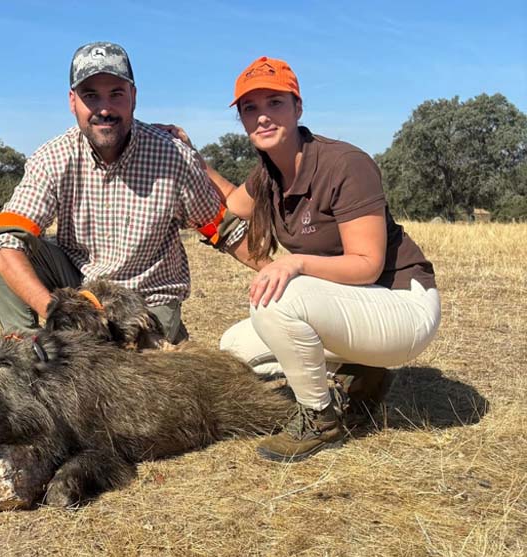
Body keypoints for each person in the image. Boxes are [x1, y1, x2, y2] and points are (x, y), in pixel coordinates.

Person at [165, 57, 441, 462]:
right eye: (250, 108)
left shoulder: (345, 164)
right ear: (242, 120)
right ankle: (360, 374)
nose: (262, 116)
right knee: (235, 346)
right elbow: (232, 203)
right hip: (353, 306)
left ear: (298, 107)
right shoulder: (268, 174)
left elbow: (367, 263)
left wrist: (295, 263)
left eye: (275, 103)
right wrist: (193, 158)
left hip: (401, 306)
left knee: (277, 300)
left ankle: (319, 420)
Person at [0, 42, 250, 344]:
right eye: (91, 96)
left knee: (122, 365)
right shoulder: (52, 158)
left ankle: (156, 345)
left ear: (133, 96)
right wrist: (56, 311)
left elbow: (221, 228)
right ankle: (30, 352)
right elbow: (7, 239)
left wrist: (276, 269)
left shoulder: (172, 155)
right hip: (82, 292)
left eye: (116, 94)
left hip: (148, 299)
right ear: (73, 101)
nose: (104, 109)